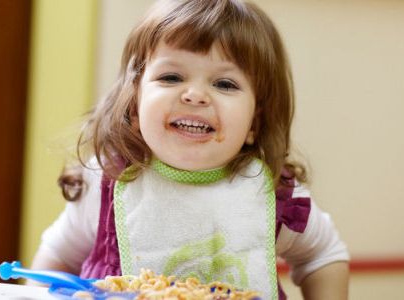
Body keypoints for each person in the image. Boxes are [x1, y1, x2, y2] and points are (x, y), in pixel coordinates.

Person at [31, 0, 350, 299]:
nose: (196, 95)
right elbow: (57, 257)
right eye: (171, 77)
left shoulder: (274, 193)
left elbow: (324, 255)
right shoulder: (108, 181)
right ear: (134, 103)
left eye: (225, 84)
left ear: (255, 120)